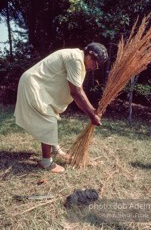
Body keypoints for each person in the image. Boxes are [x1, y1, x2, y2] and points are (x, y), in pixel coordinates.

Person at [14, 42, 108, 173]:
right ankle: (46, 162)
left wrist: (93, 111)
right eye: (95, 63)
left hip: (41, 87)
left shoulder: (79, 62)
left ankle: (55, 149)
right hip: (33, 84)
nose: (94, 68)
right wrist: (92, 115)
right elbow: (76, 92)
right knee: (48, 120)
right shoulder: (75, 59)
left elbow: (77, 95)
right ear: (90, 56)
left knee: (51, 116)